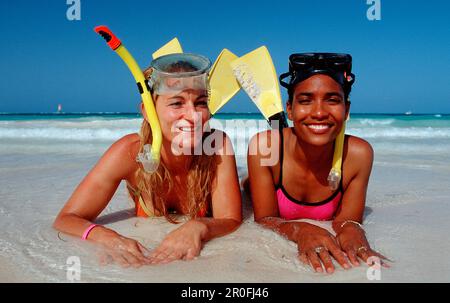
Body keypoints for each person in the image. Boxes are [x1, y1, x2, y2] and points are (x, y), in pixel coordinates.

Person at [54, 53, 242, 268]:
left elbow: (231, 220)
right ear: (148, 111)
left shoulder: (216, 145)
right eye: (177, 103)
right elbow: (67, 218)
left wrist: (198, 226)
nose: (194, 116)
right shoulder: (129, 152)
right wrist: (107, 237)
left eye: (201, 103)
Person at [247, 53, 388, 274]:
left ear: (347, 110)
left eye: (332, 100)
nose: (320, 112)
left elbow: (347, 220)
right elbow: (265, 219)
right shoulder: (264, 147)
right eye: (305, 100)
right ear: (290, 110)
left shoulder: (358, 155)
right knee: (246, 185)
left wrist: (352, 230)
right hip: (275, 158)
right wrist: (299, 230)